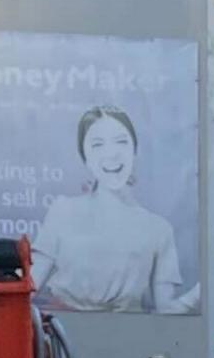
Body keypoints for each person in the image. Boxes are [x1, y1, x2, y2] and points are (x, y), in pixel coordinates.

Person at [29, 105, 188, 315]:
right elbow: (28, 288)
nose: (111, 154)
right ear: (85, 157)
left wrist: (209, 288)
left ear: (134, 149)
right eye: (97, 145)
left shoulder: (158, 229)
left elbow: (166, 309)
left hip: (128, 339)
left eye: (121, 142)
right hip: (62, 337)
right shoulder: (63, 211)